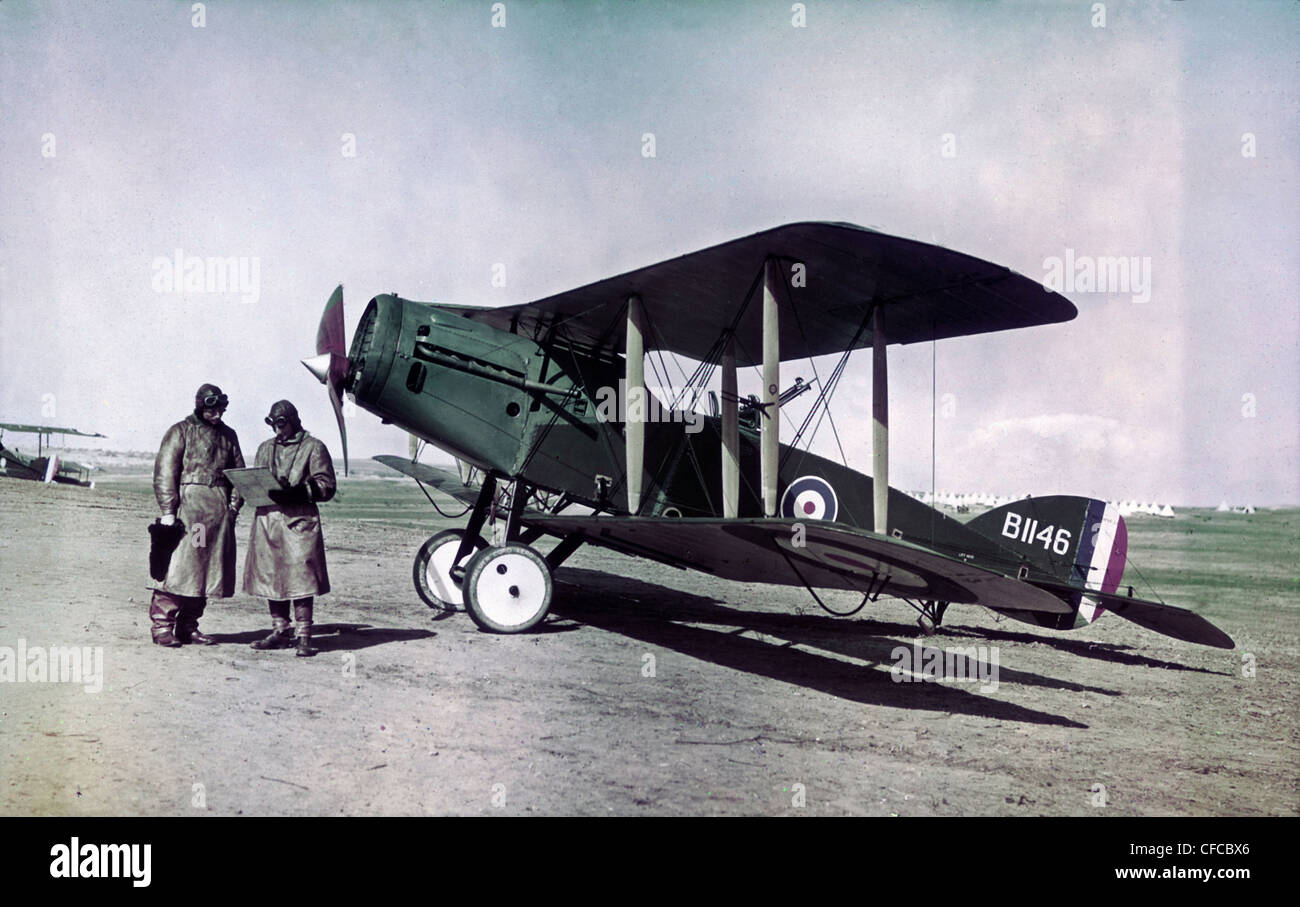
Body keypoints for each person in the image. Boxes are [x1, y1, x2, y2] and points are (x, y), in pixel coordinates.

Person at [151, 383, 244, 647]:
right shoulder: (180, 431)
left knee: (204, 570)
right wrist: (168, 512)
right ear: (202, 405)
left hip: (217, 515)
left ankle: (188, 626)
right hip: (189, 512)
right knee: (180, 567)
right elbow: (165, 473)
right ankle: (162, 627)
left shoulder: (229, 436)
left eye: (221, 410)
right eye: (213, 410)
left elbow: (239, 475)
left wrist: (233, 508)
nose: (218, 415)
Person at [244, 400, 336, 657]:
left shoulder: (314, 447)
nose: (276, 429)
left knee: (301, 577)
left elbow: (327, 486)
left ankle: (304, 634)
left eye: (281, 423)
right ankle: (280, 630)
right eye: (272, 423)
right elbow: (256, 479)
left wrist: (297, 493)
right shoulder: (265, 448)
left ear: (294, 419)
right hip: (268, 521)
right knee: (271, 576)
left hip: (299, 522)